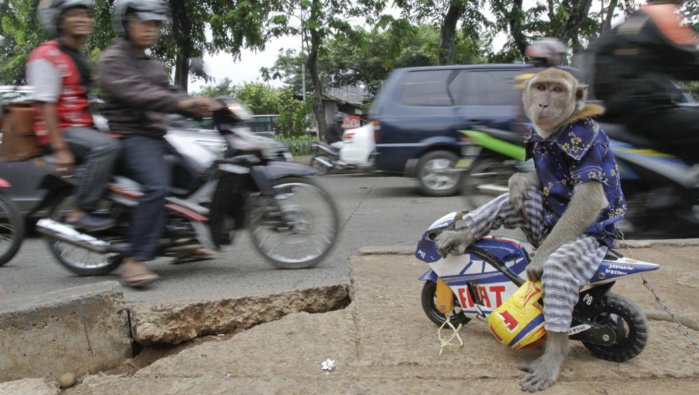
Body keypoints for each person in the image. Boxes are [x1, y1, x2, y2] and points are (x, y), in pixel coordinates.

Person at [97, 0, 220, 287]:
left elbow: (168, 92)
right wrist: (183, 102)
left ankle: (181, 241)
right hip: (130, 136)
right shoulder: (114, 59)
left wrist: (203, 104)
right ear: (126, 24)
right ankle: (134, 261)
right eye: (144, 22)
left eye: (155, 24)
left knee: (193, 180)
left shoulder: (148, 62)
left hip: (154, 136)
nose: (151, 29)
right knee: (157, 187)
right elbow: (141, 94)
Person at [27, 0, 121, 231]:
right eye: (75, 15)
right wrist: (60, 149)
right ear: (59, 21)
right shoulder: (46, 55)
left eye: (87, 15)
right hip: (60, 131)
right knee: (106, 148)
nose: (83, 20)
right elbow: (45, 104)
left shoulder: (74, 54)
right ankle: (80, 210)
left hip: (81, 128)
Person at [589, 0, 699, 165]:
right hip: (649, 112)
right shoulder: (662, 14)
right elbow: (687, 64)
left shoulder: (628, 24)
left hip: (617, 113)